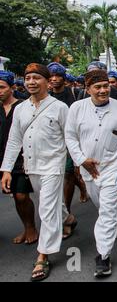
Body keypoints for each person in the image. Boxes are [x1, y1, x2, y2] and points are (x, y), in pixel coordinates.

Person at [65, 69, 117, 278]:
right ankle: (115, 221)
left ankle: (103, 256)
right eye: (97, 87)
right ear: (87, 88)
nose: (102, 90)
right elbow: (70, 137)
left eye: (105, 86)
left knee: (107, 209)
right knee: (101, 205)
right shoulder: (76, 108)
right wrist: (81, 161)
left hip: (112, 166)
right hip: (87, 168)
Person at [1, 63, 68, 281]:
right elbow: (14, 141)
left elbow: (71, 138)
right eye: (28, 78)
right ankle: (70, 218)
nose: (31, 82)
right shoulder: (21, 109)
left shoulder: (59, 108)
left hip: (54, 166)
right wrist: (6, 170)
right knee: (51, 204)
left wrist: (80, 166)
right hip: (31, 166)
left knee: (46, 208)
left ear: (47, 82)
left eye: (36, 78)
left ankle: (43, 255)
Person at [47, 63, 88, 230]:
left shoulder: (75, 93)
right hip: (52, 143)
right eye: (51, 77)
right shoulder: (46, 97)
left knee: (68, 175)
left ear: (64, 78)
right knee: (64, 175)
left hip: (72, 140)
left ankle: (67, 213)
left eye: (58, 76)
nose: (55, 79)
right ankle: (82, 187)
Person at [0, 70, 38, 245]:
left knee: (21, 195)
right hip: (2, 159)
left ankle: (30, 228)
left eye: (2, 87)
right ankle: (26, 226)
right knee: (14, 194)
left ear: (12, 87)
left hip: (21, 158)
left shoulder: (23, 107)